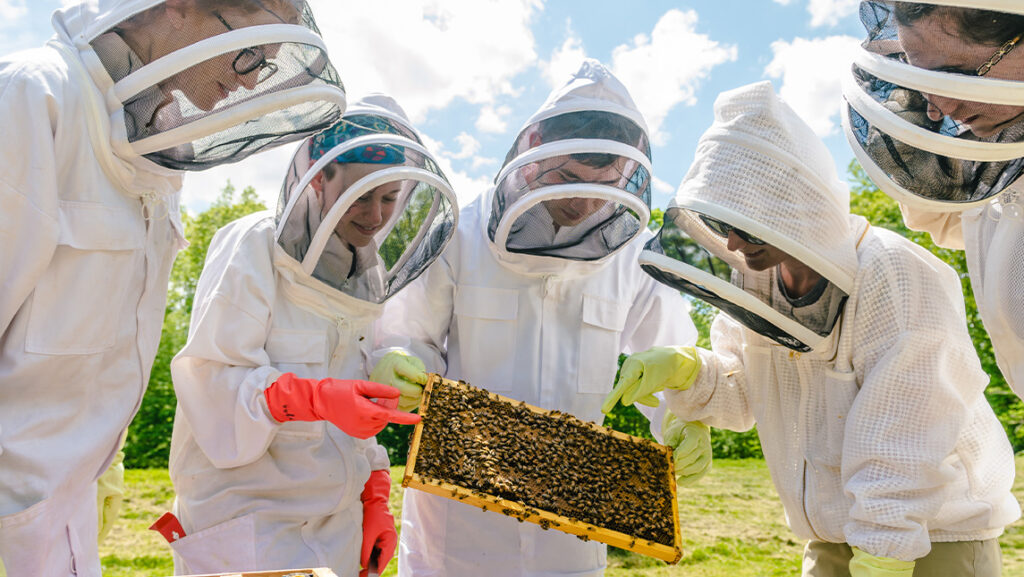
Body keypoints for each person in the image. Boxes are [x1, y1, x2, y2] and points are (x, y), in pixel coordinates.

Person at [604, 81, 1020, 577]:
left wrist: (883, 555)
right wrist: (686, 371)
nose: (734, 242)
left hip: (930, 541)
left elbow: (906, 436)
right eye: (723, 221)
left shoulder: (894, 275)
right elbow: (743, 393)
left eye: (746, 222)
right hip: (829, 537)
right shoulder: (754, 280)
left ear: (792, 203)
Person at [0, 1, 346, 574]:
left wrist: (99, 457)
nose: (250, 83)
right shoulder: (31, 99)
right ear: (181, 7)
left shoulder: (154, 160)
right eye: (251, 54)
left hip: (59, 516)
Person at [372, 59, 705, 577]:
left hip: (571, 535)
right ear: (530, 152)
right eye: (569, 177)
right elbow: (406, 335)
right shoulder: (460, 232)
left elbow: (668, 356)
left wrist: (687, 415)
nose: (587, 199)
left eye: (605, 182)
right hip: (456, 529)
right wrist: (398, 360)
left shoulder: (629, 253)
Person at [166, 94, 457, 577]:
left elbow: (357, 414)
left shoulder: (368, 275)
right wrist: (312, 398)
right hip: (250, 526)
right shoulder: (255, 243)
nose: (376, 215)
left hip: (335, 526)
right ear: (319, 179)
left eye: (390, 198)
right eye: (361, 196)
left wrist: (375, 498)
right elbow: (211, 381)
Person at [842, 1, 1024, 398]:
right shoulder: (996, 169)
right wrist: (917, 149)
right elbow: (945, 217)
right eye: (921, 83)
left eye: (954, 76)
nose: (939, 109)